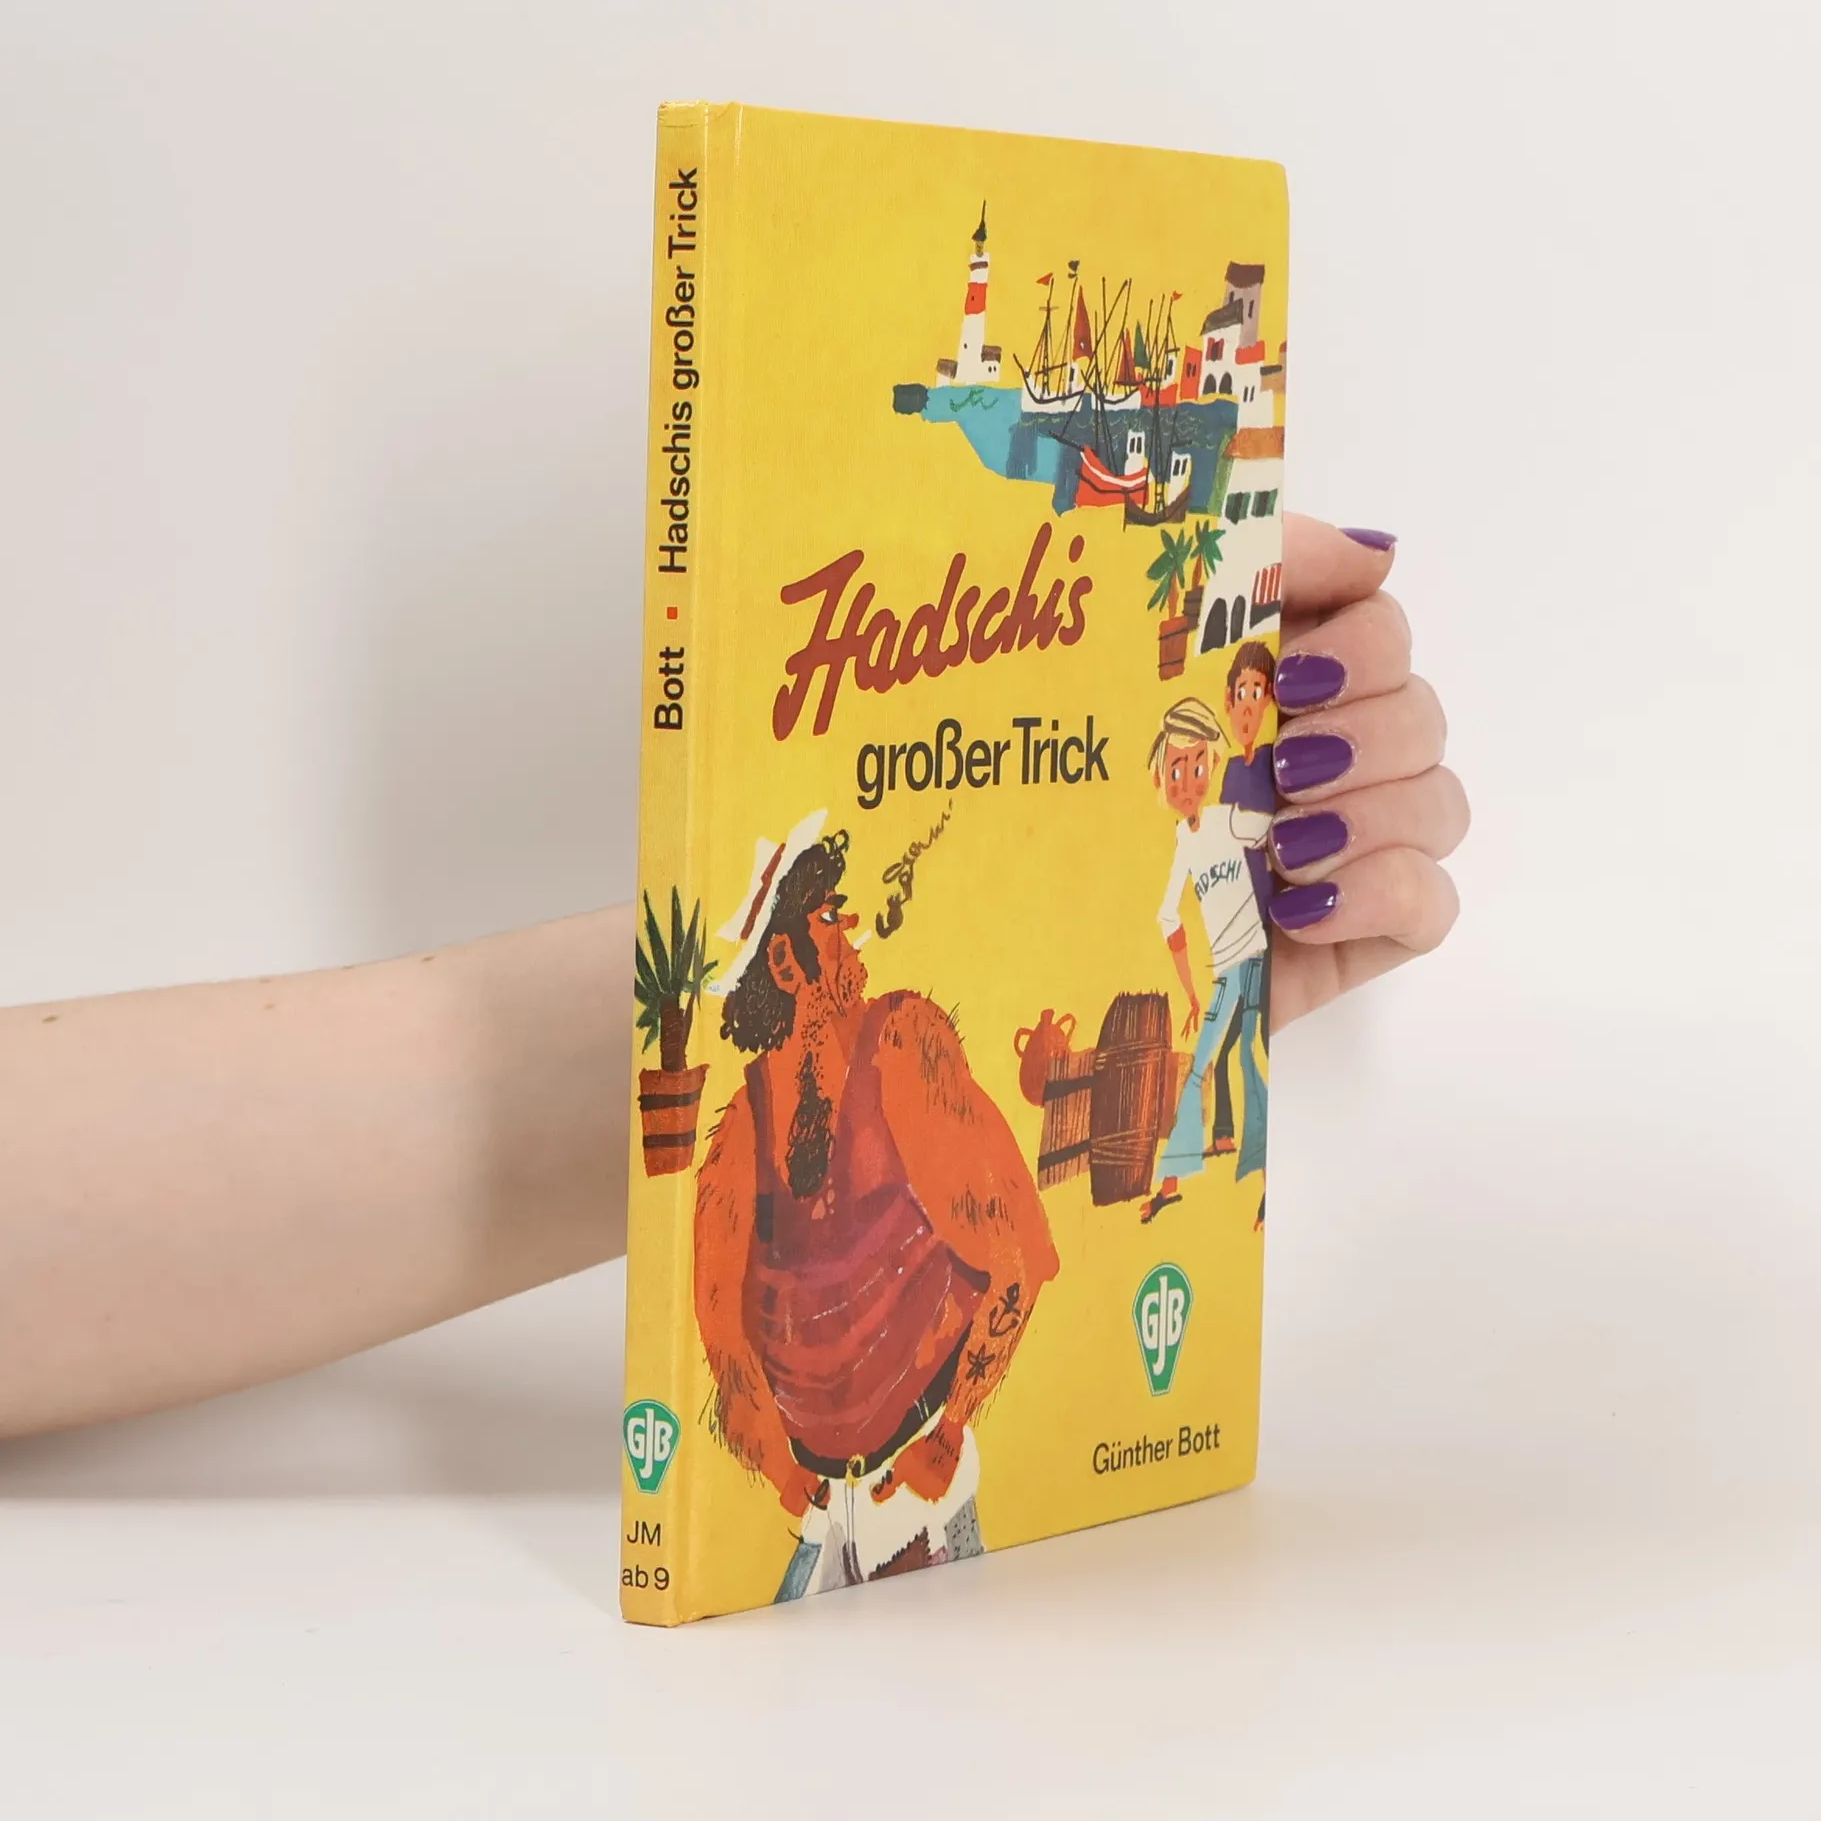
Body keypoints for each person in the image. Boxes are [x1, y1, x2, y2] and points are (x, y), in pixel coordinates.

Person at [0, 515, 1466, 1441]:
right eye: (819, 933)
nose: (847, 941)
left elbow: (1019, 1255)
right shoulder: (796, 1113)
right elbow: (769, 1314)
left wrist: (1033, 901)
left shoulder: (887, 1050)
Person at [690, 814, 1057, 1597]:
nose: (851, 923)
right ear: (784, 961)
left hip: (921, 1494)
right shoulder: (741, 1134)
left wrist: (951, 1427)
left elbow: (1017, 1252)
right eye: (828, 914)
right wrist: (790, 1479)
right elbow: (724, 1340)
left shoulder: (902, 1043)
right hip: (822, 1514)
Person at [1142, 697, 1274, 1226]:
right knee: (1199, 1067)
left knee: (1248, 1062)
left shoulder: (1225, 820)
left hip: (1255, 959)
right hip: (1224, 973)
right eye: (1177, 771)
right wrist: (1191, 993)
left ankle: (1268, 1188)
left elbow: (1269, 830)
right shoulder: (1184, 840)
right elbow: (1167, 916)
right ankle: (1170, 1184)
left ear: (1213, 764)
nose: (1188, 783)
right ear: (1161, 778)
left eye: (1197, 766)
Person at [1208, 639, 1281, 1161]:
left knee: (1263, 1037)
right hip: (1237, 930)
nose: (1249, 705)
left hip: (1268, 926)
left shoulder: (1275, 761)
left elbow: (1251, 831)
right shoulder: (1234, 770)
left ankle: (1255, 1138)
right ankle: (1225, 1134)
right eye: (1242, 692)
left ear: (1270, 697)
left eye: (1258, 691)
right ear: (1229, 701)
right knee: (1231, 1039)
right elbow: (1222, 842)